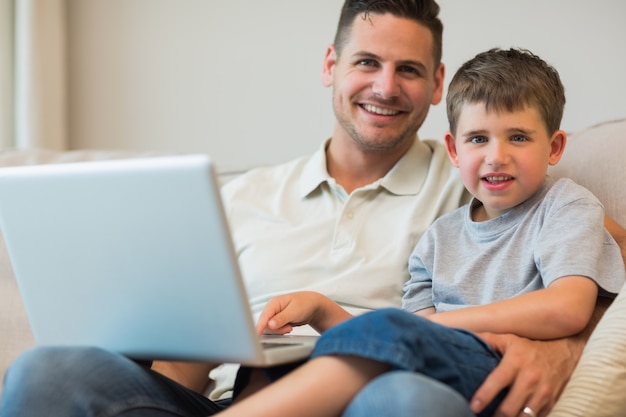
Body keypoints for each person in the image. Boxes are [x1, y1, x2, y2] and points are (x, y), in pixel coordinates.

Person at [1, 1, 624, 416]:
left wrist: (567, 347)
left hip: (373, 397)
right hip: (237, 396)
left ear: (437, 85)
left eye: (407, 69)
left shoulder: (474, 178)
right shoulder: (234, 195)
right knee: (48, 373)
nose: (385, 87)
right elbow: (184, 366)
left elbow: (601, 251)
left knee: (407, 397)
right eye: (366, 62)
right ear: (332, 66)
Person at [215, 47, 626, 417]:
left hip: (502, 369)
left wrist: (439, 327)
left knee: (389, 328)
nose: (496, 156)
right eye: (478, 138)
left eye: (518, 137)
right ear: (454, 149)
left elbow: (567, 308)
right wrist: (323, 310)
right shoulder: (438, 237)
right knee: (350, 354)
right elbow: (398, 348)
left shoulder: (565, 206)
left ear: (554, 147)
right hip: (440, 371)